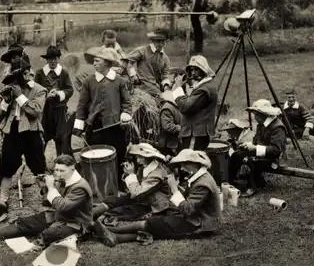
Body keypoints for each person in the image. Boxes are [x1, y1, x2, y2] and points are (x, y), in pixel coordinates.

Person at [93, 149, 221, 247]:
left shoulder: (203, 183)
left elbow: (187, 209)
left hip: (199, 224)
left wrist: (174, 188)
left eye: (183, 165)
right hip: (193, 216)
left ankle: (111, 231)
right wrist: (176, 188)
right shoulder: (200, 177)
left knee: (153, 224)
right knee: (157, 223)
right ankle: (116, 236)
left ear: (192, 164)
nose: (181, 168)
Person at [0, 155, 93, 246]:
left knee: (48, 235)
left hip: (75, 224)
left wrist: (51, 187)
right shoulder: (65, 179)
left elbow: (62, 206)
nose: (58, 174)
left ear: (72, 169)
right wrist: (45, 188)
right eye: (56, 170)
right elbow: (49, 202)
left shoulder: (80, 187)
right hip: (59, 216)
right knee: (24, 223)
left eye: (62, 171)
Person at [72, 47, 133, 186]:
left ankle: (119, 183)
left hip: (115, 126)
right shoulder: (88, 81)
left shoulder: (120, 81)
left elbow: (127, 102)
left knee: (118, 153)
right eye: (93, 60)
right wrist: (79, 127)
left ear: (107, 63)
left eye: (97, 61)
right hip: (94, 126)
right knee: (95, 154)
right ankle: (97, 184)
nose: (94, 63)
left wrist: (125, 115)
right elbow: (82, 105)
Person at [0, 58, 48, 206]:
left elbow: (35, 111)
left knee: (38, 165)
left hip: (31, 132)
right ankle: (3, 199)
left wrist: (19, 96)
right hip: (12, 131)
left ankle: (47, 195)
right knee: (6, 165)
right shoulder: (10, 89)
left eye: (17, 78)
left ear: (26, 74)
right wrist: (5, 101)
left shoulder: (39, 90)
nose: (14, 82)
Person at [92, 143, 177, 222]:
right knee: (111, 200)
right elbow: (134, 189)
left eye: (140, 157)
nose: (137, 160)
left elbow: (137, 192)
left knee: (121, 211)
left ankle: (96, 219)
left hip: (153, 206)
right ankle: (91, 215)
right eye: (137, 157)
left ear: (148, 157)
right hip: (142, 199)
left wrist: (131, 174)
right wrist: (127, 174)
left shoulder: (157, 174)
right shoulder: (144, 166)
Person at [228, 99, 287, 197]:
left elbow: (276, 151)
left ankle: (254, 186)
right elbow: (256, 141)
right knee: (237, 154)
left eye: (256, 114)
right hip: (262, 153)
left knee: (251, 160)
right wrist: (248, 145)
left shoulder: (278, 127)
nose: (254, 117)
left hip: (273, 159)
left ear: (264, 114)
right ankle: (232, 181)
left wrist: (255, 148)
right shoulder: (262, 125)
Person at [171, 55, 218, 151]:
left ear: (203, 70)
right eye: (191, 70)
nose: (193, 73)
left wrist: (178, 88)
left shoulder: (204, 89)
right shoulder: (204, 86)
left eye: (196, 69)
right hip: (196, 132)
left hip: (195, 133)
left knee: (190, 161)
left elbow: (185, 107)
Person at [34, 45, 74, 156]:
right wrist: (46, 94)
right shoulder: (40, 73)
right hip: (45, 110)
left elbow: (70, 89)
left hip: (60, 110)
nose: (53, 61)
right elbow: (35, 91)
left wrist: (59, 94)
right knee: (43, 137)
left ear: (58, 59)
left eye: (55, 59)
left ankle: (60, 161)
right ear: (46, 60)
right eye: (50, 59)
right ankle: (41, 165)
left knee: (61, 137)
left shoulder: (64, 73)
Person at [127, 28, 172, 98]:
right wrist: (133, 75)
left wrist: (166, 86)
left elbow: (165, 76)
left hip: (156, 86)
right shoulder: (143, 50)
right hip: (143, 84)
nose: (160, 44)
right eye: (158, 41)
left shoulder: (165, 58)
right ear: (153, 41)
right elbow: (127, 62)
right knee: (162, 98)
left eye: (162, 42)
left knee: (170, 97)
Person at [157, 90, 183, 156]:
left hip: (174, 142)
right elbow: (167, 126)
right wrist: (181, 128)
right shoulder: (167, 108)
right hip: (169, 144)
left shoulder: (174, 107)